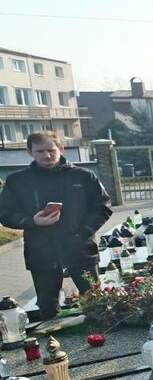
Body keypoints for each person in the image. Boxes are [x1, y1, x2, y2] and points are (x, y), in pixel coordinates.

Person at [0, 132, 112, 321]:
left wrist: (83, 232)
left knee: (97, 304)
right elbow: (5, 214)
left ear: (61, 149)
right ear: (30, 152)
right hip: (41, 252)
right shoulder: (17, 181)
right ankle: (53, 346)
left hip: (80, 249)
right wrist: (31, 221)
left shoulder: (83, 176)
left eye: (51, 150)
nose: (47, 155)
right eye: (40, 151)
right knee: (47, 308)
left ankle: (103, 342)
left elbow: (103, 207)